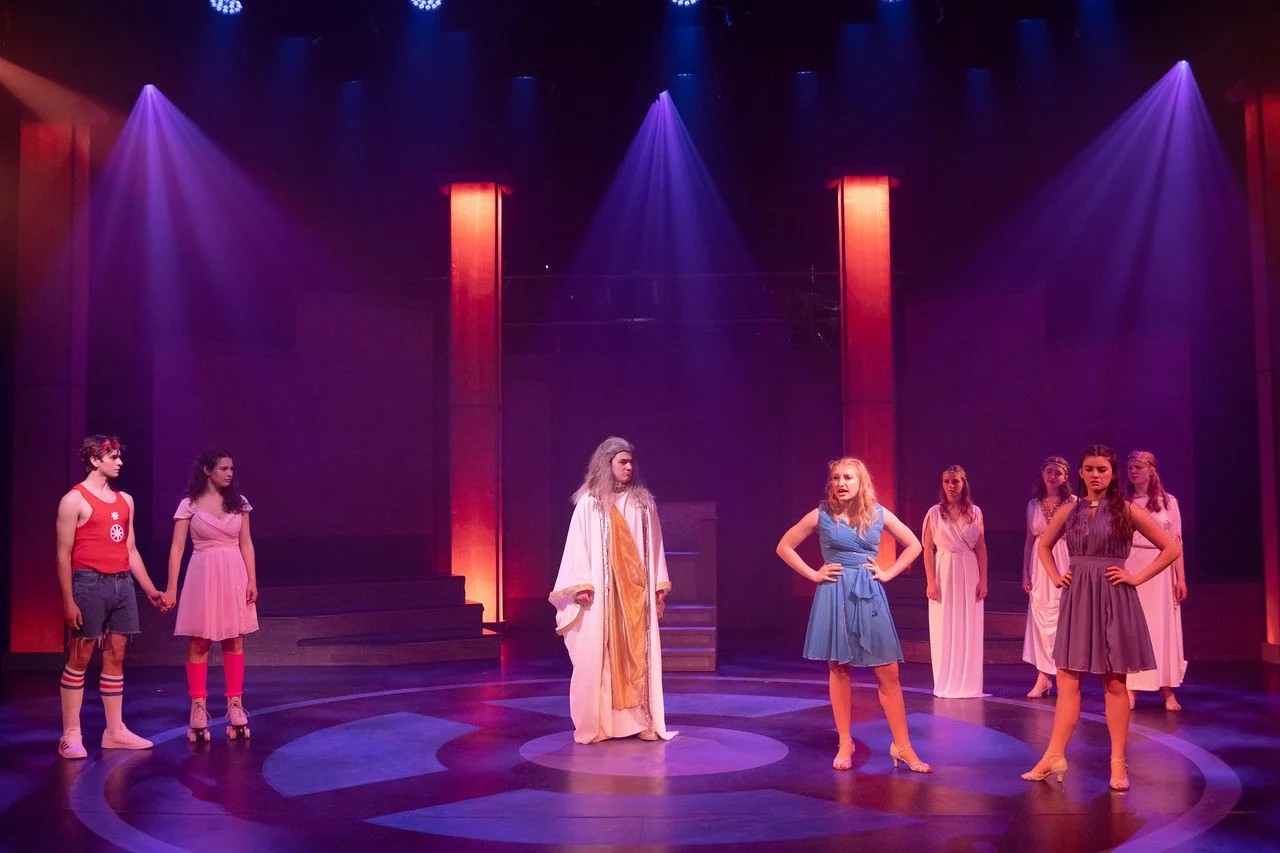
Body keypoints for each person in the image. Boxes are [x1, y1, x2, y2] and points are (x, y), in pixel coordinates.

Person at [1021, 445, 1180, 792]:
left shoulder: (1125, 509)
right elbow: (1043, 545)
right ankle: (1053, 756)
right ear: (1081, 473)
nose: (1096, 475)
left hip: (1113, 597)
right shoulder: (1070, 509)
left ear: (1112, 474)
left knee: (1115, 682)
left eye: (1102, 469)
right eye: (1090, 469)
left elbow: (1171, 547)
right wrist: (1055, 575)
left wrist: (1136, 578)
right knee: (1066, 679)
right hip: (1078, 597)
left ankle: (1118, 762)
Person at [775, 457, 930, 773]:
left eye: (847, 477)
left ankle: (902, 746)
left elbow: (914, 545)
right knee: (839, 667)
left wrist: (888, 573)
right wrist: (813, 574)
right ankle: (845, 742)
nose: (840, 483)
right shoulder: (822, 514)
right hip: (834, 593)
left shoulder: (878, 514)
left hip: (868, 593)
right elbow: (784, 546)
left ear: (861, 482)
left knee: (888, 671)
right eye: (835, 478)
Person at [548, 437, 673, 744]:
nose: (629, 467)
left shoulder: (643, 503)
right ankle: (601, 724)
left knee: (639, 655)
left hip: (635, 595)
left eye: (631, 462)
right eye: (622, 462)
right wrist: (581, 584)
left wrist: (659, 583)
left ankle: (644, 721)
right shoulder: (590, 503)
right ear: (607, 464)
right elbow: (576, 546)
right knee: (598, 654)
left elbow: (656, 545)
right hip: (602, 596)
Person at [56, 435, 167, 759]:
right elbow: (62, 555)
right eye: (114, 457)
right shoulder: (73, 500)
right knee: (80, 656)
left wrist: (149, 589)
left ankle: (114, 731)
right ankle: (70, 734)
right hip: (89, 583)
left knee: (116, 657)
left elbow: (130, 549)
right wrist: (68, 600)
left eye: (120, 457)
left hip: (122, 584)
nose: (120, 462)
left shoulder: (125, 500)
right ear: (95, 460)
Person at [165, 449, 259, 741]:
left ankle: (235, 704)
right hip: (202, 573)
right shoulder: (189, 505)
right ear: (207, 470)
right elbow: (177, 549)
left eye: (231, 468)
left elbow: (246, 543)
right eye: (223, 469)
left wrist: (252, 579)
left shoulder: (239, 503)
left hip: (233, 572)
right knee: (199, 641)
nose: (230, 473)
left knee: (234, 639)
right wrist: (171, 587)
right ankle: (198, 706)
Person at [1124, 451, 1188, 711]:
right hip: (1132, 566)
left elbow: (1176, 541)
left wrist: (1180, 577)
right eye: (1130, 467)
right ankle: (1131, 687)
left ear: (1151, 469)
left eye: (1138, 467)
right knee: (1133, 627)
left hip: (1160, 568)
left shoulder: (1168, 501)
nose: (1133, 471)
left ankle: (1167, 689)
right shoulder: (1124, 502)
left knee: (1162, 627)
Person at [922, 465, 988, 698]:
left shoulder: (975, 512)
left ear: (963, 484)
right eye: (947, 481)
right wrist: (930, 581)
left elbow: (981, 548)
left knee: (968, 624)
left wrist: (983, 580)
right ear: (942, 484)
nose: (951, 486)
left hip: (968, 569)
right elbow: (927, 549)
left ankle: (968, 683)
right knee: (944, 624)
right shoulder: (934, 513)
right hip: (943, 569)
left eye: (956, 481)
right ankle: (945, 681)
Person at [1021, 457, 1076, 699]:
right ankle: (1043, 676)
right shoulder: (1033, 505)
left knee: (1063, 617)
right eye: (1049, 472)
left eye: (1058, 473)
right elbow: (1029, 540)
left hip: (1063, 560)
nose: (1053, 476)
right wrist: (1025, 571)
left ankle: (1064, 674)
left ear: (1065, 477)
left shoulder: (1075, 503)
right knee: (1040, 618)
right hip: (1039, 564)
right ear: (1042, 473)